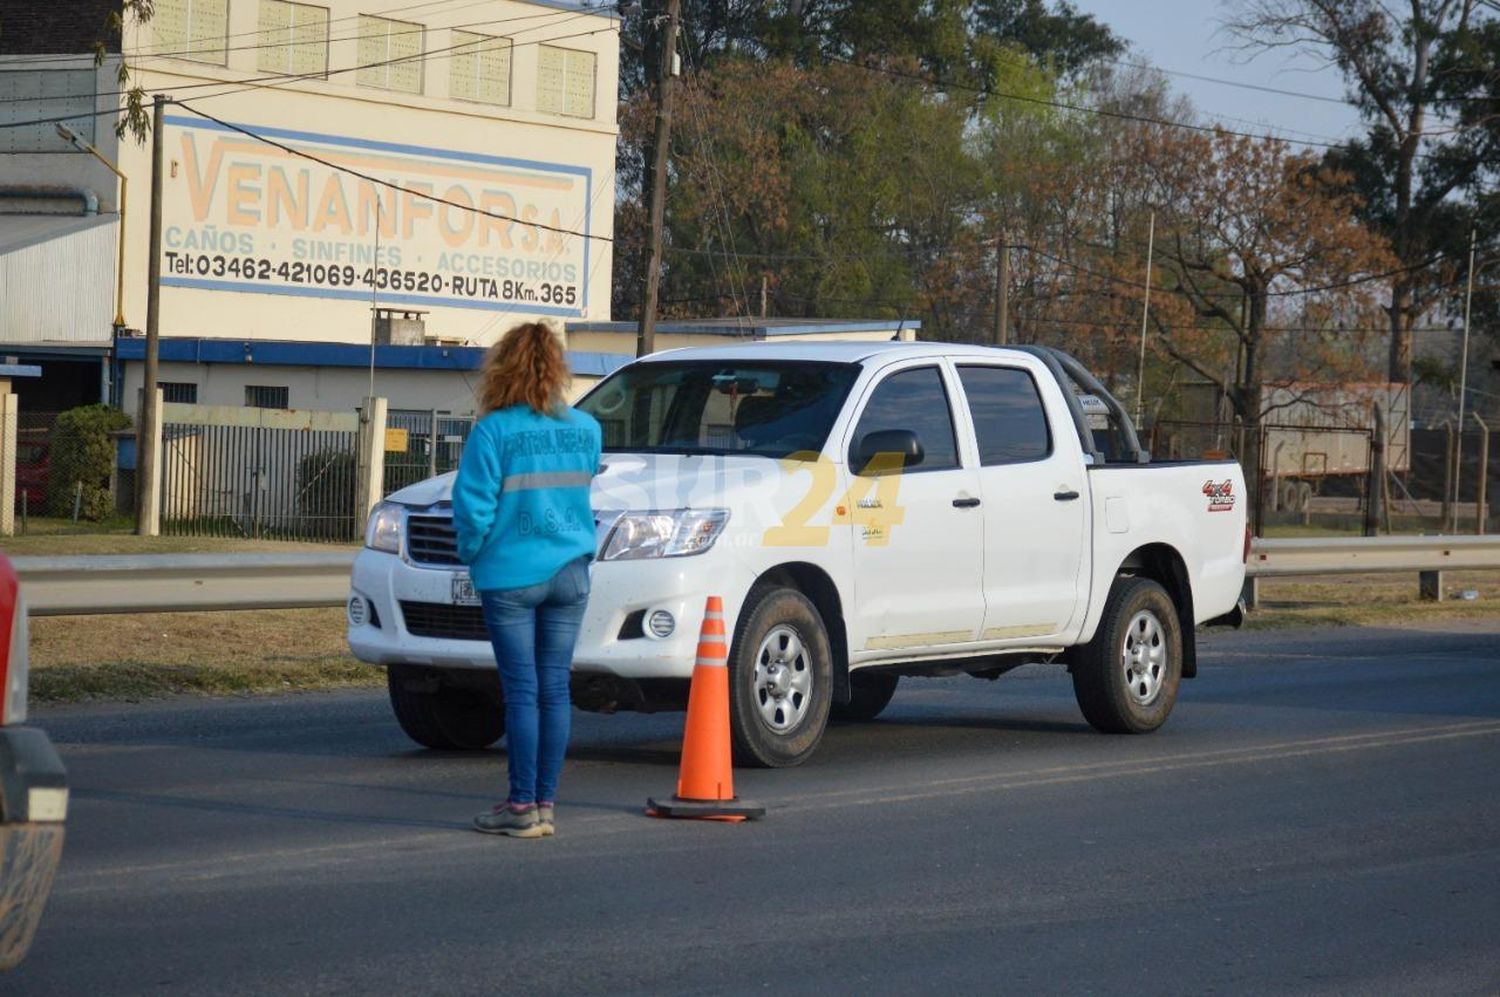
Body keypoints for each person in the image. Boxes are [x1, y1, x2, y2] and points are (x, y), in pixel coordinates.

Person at [452, 321, 601, 839]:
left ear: (502, 367)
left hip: (511, 576)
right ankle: (544, 805)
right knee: (554, 689)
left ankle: (519, 807)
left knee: (521, 691)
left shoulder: (493, 431)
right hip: (571, 573)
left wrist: (473, 555)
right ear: (557, 368)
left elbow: (473, 509)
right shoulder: (586, 428)